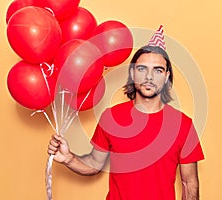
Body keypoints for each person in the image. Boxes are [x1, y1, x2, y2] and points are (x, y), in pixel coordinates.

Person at [48, 25, 204, 200]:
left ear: (166, 76)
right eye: (142, 69)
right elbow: (94, 163)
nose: (149, 77)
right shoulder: (111, 117)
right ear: (132, 73)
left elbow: (189, 183)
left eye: (158, 70)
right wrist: (68, 158)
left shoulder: (183, 124)